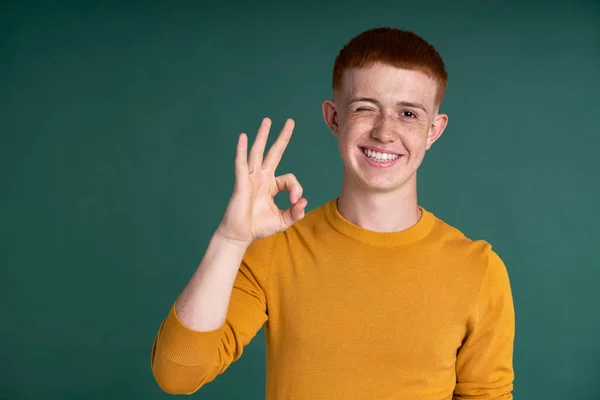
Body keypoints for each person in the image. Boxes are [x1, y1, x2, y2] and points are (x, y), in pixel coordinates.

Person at [150, 27, 515, 400]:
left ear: (433, 131)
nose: (385, 132)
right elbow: (177, 375)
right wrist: (230, 239)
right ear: (334, 118)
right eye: (364, 108)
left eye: (408, 113)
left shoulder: (479, 270)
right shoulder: (278, 249)